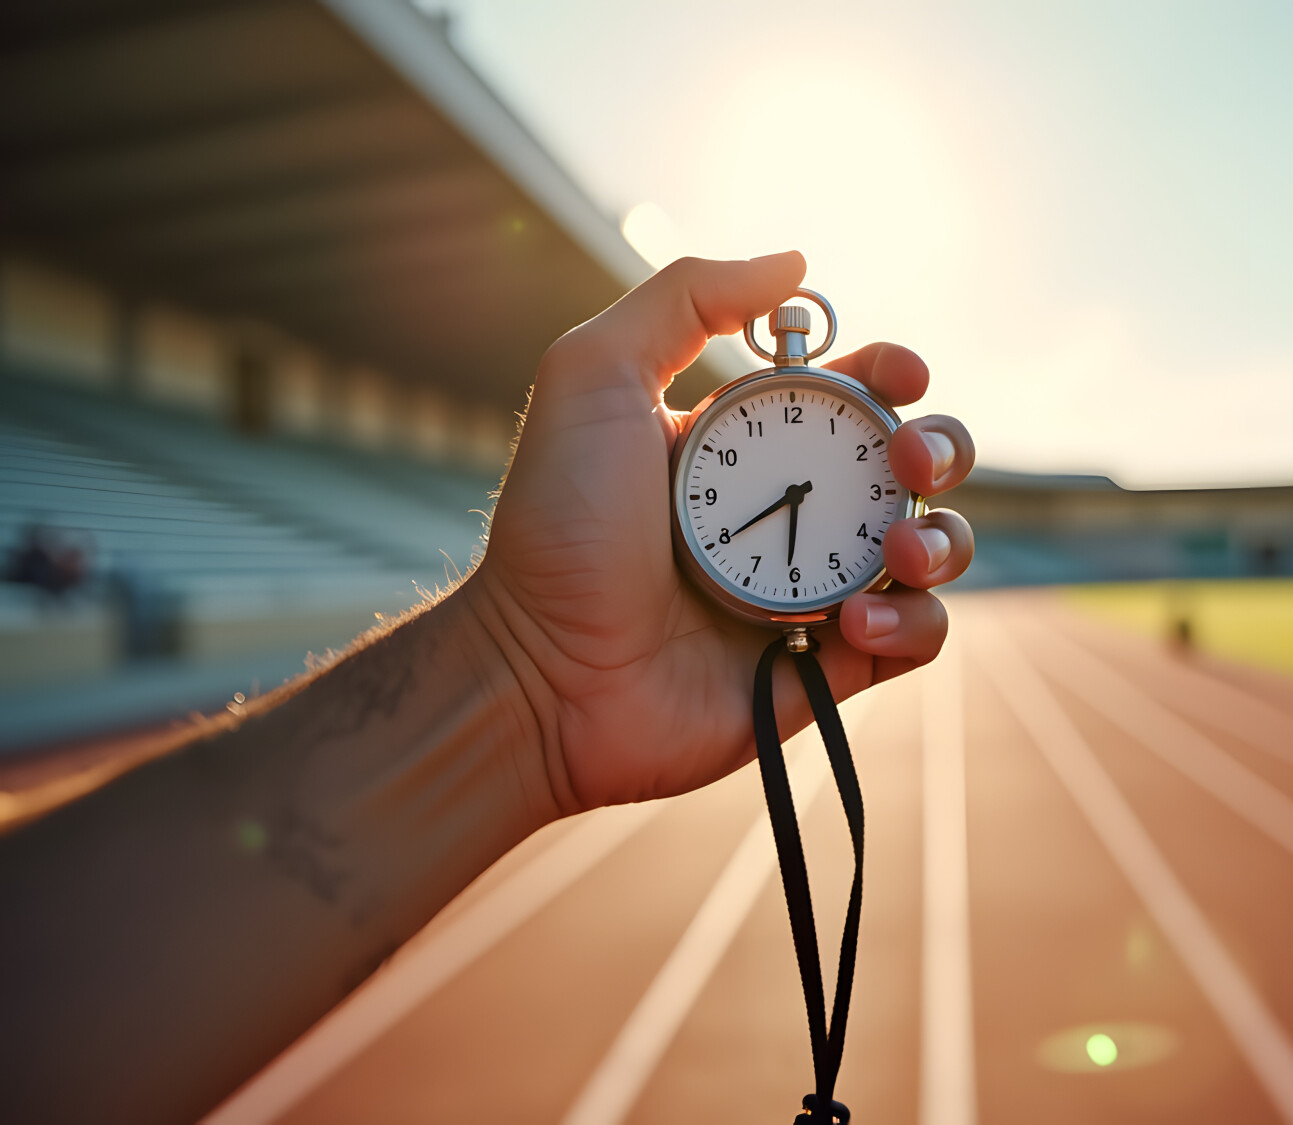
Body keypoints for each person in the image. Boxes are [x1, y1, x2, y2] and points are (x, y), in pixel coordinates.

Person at [0, 253, 977, 1122]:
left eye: (832, 479)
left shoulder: (823, 460)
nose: (804, 495)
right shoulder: (682, 489)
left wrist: (527, 678)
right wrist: (526, 667)